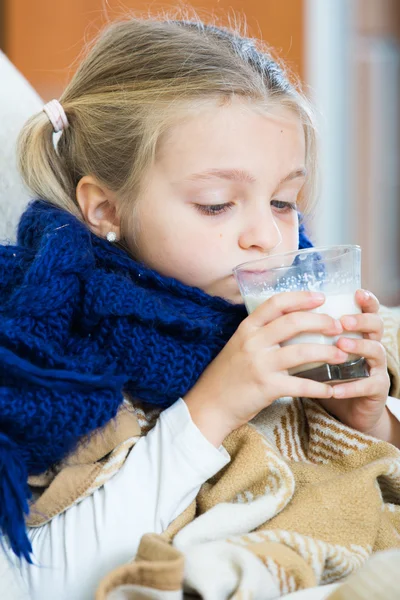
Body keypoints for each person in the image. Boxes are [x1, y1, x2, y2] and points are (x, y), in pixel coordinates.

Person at [1, 15, 399, 600]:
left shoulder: (299, 314)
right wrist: (212, 406)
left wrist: (373, 422)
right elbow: (40, 580)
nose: (267, 235)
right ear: (105, 209)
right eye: (217, 205)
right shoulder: (55, 350)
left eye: (285, 200)